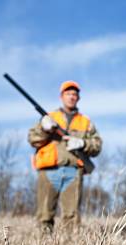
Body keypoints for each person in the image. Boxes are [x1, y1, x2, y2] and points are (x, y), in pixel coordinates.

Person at [28, 80, 102, 232]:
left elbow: (97, 146)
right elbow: (32, 139)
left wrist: (82, 143)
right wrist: (44, 129)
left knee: (72, 217)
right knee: (44, 215)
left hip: (73, 171)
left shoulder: (85, 121)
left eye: (74, 94)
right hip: (49, 170)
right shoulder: (49, 117)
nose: (71, 97)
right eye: (68, 93)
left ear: (78, 98)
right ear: (61, 96)